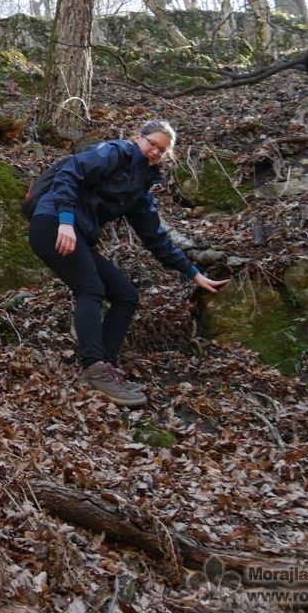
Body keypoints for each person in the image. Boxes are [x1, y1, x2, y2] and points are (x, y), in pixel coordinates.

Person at [28, 120, 230, 407]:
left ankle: (105, 367)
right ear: (138, 138)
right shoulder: (115, 152)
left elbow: (155, 237)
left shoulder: (141, 188)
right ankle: (94, 367)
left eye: (161, 151)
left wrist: (193, 272)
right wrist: (65, 221)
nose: (154, 152)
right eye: (152, 144)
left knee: (125, 295)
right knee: (90, 287)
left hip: (75, 235)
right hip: (52, 223)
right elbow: (70, 174)